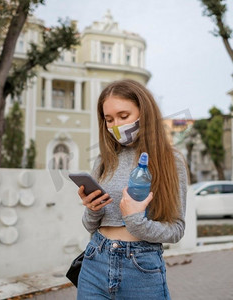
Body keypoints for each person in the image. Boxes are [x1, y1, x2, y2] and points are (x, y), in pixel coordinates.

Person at [76, 79, 188, 299]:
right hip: (95, 260)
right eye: (109, 119)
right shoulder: (104, 160)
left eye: (123, 116)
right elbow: (89, 225)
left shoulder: (170, 161)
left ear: (144, 112)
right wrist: (93, 209)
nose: (116, 125)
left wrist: (136, 221)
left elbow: (176, 230)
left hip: (141, 268)